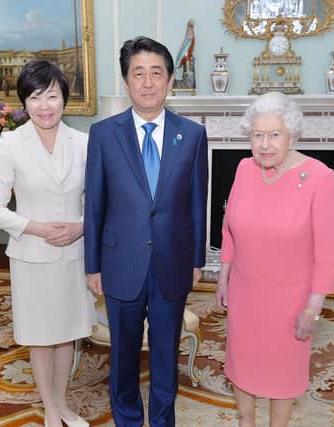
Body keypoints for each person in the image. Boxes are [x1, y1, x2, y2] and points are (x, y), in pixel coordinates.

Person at [84, 36, 208, 427]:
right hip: (121, 264)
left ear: (170, 80)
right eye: (139, 73)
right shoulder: (104, 135)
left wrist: (198, 260)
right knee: (122, 357)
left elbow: (197, 202)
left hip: (174, 263)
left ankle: (162, 420)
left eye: (157, 73)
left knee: (164, 356)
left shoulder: (192, 135)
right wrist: (93, 266)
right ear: (126, 82)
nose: (148, 82)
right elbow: (95, 207)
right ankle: (127, 421)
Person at [215, 92, 334, 427]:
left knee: (281, 380)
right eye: (257, 135)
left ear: (293, 135)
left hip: (290, 302)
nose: (265, 144)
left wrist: (313, 307)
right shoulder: (244, 169)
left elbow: (328, 253)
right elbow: (230, 228)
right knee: (243, 369)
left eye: (274, 135)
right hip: (245, 293)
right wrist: (224, 276)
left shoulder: (320, 178)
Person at [0, 59, 94, 427]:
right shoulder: (11, 143)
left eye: (52, 96)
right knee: (41, 337)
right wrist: (36, 228)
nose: (44, 106)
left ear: (64, 99)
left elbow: (98, 203)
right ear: (24, 103)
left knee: (66, 334)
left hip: (73, 255)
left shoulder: (84, 143)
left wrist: (79, 228)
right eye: (35, 97)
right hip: (31, 255)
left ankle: (61, 403)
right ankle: (50, 407)